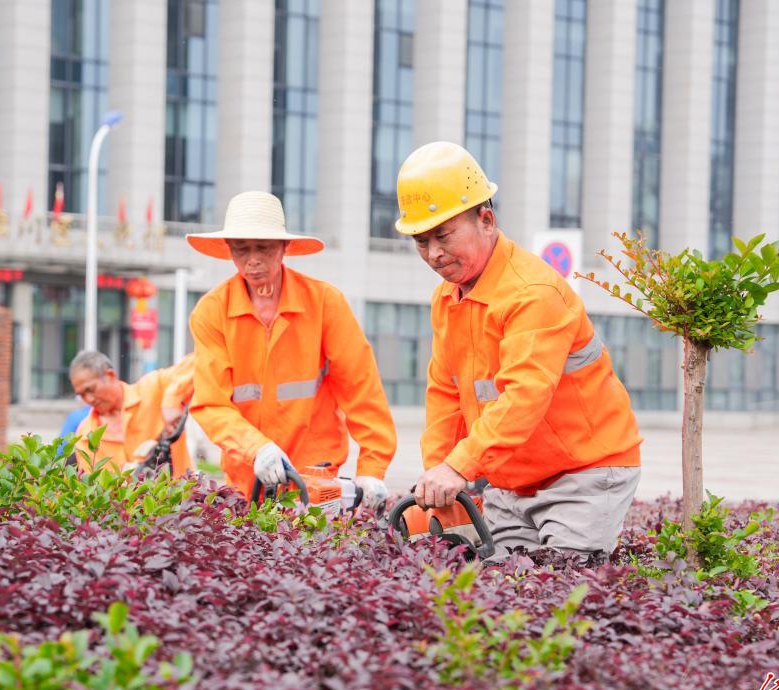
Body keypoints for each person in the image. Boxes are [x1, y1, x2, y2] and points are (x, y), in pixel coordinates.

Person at [394, 141, 643, 562]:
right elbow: (445, 395)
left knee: (559, 582)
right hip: (513, 480)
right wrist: (440, 479)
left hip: (585, 471)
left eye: (443, 235)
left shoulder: (532, 293)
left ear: (486, 219)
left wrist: (459, 467)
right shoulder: (447, 298)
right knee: (504, 585)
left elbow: (524, 395)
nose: (433, 253)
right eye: (421, 240)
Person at [186, 190, 396, 509]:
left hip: (316, 478)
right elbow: (211, 404)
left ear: (284, 247)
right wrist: (257, 448)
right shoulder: (211, 312)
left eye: (263, 248)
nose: (253, 260)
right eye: (242, 249)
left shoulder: (325, 304)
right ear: (228, 250)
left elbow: (362, 392)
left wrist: (372, 470)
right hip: (247, 479)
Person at [69, 350, 195, 475]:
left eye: (91, 389)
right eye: (82, 395)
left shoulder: (153, 389)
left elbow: (200, 361)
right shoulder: (86, 435)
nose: (89, 399)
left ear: (110, 375)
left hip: (183, 493)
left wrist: (172, 400)